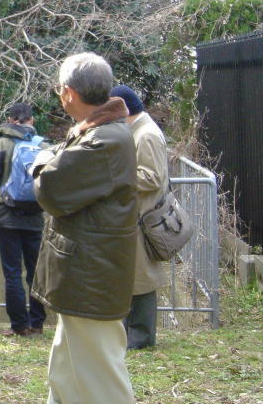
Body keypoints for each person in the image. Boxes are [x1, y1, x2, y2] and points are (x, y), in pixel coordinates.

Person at [32, 52, 138, 404]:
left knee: (102, 377)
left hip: (92, 275)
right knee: (67, 370)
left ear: (68, 93)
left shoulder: (104, 139)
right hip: (86, 272)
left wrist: (40, 160)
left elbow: (51, 188)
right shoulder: (98, 132)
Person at [110, 85, 168, 350]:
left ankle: (142, 338)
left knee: (142, 280)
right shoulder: (139, 131)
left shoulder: (146, 135)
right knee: (131, 278)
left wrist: (117, 176)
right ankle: (132, 335)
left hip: (143, 217)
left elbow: (152, 177)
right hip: (135, 216)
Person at [0, 102, 46, 337]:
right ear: (31, 120)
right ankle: (37, 323)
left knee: (12, 272)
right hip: (35, 215)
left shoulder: (2, 143)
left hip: (7, 215)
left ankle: (19, 325)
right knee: (35, 271)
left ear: (10, 119)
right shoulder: (42, 146)